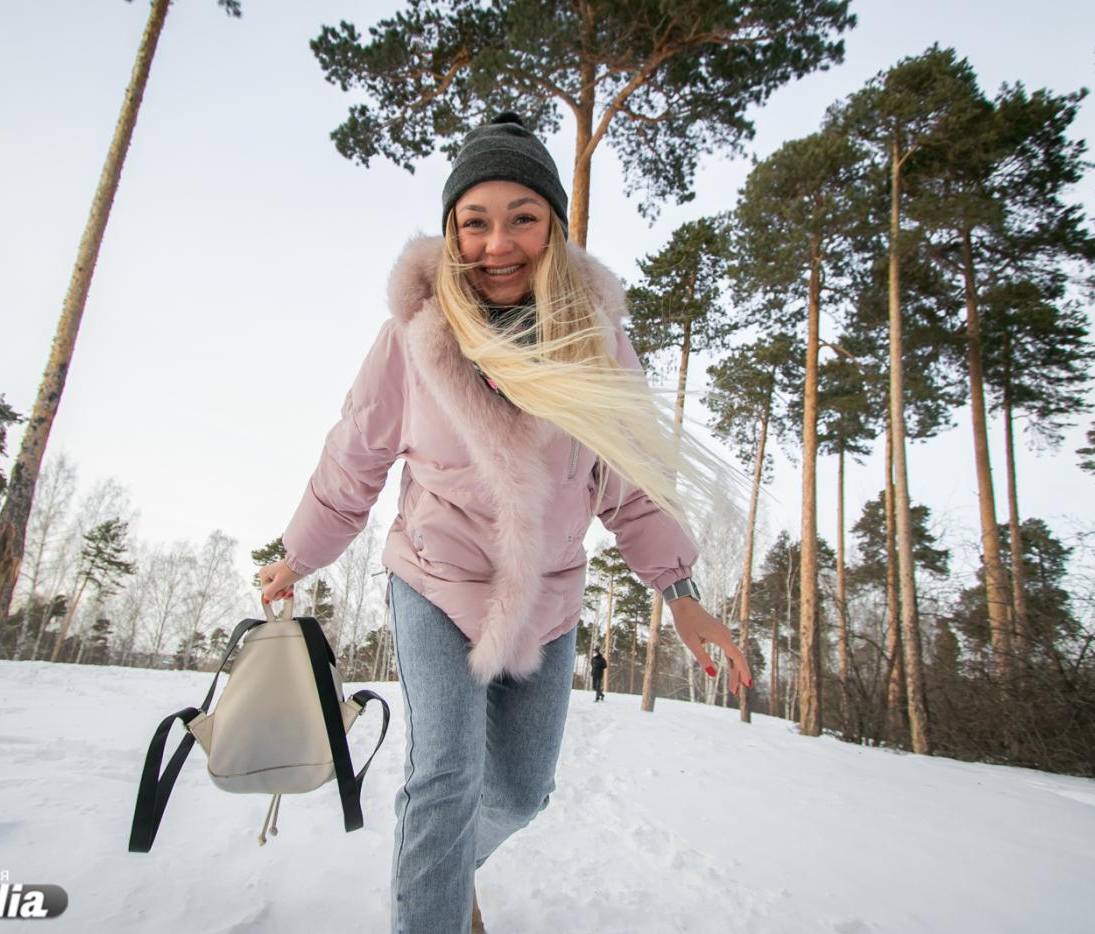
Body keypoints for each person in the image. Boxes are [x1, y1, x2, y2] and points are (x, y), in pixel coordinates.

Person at [258, 112, 753, 934]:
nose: (499, 244)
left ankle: (447, 870)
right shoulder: (412, 340)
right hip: (435, 578)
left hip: (548, 595)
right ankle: (437, 907)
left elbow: (629, 480)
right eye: (476, 222)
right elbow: (355, 458)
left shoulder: (596, 343)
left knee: (521, 792)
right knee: (446, 775)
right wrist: (296, 554)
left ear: (554, 227)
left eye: (522, 217)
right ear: (452, 231)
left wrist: (681, 588)